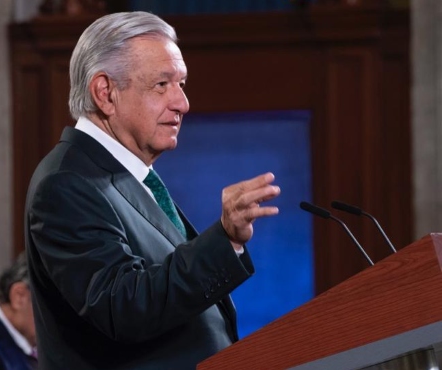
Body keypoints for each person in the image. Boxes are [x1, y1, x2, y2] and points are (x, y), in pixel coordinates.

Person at [24, 11, 281, 370]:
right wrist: (223, 240)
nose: (182, 103)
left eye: (182, 84)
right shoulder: (66, 184)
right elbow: (123, 306)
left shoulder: (127, 175)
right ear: (105, 92)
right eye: (162, 85)